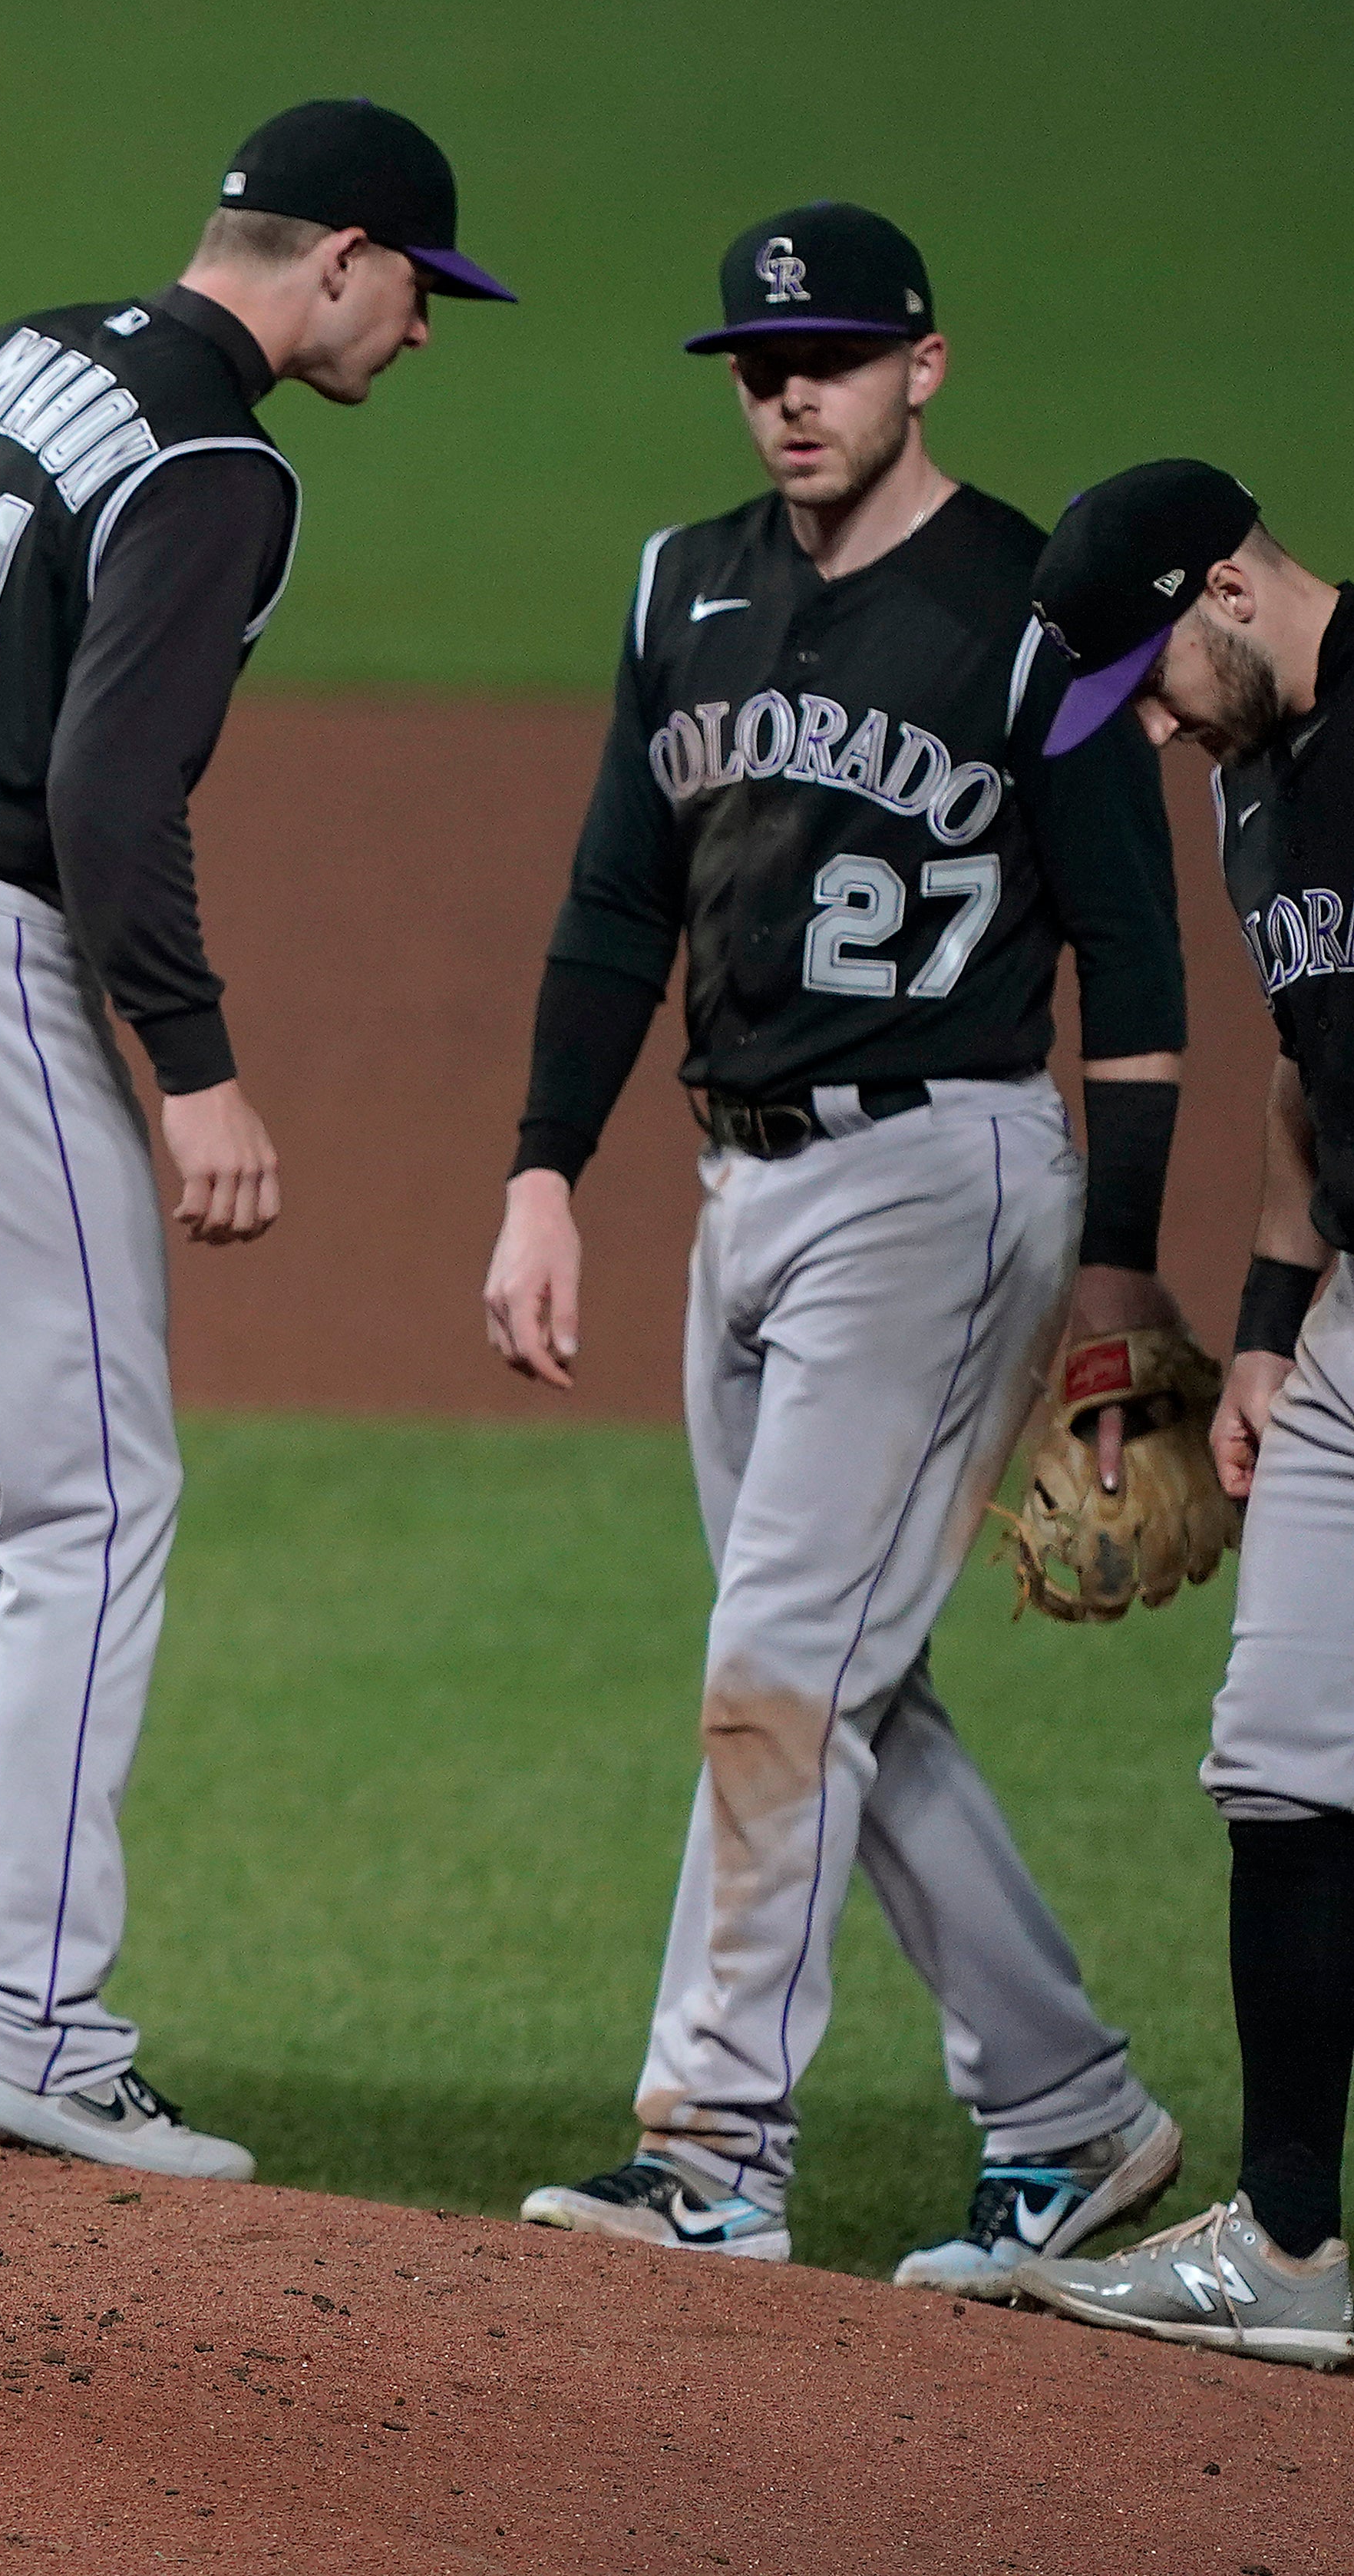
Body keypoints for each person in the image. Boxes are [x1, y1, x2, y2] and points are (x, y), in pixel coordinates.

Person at [0, 100, 512, 2174]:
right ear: (337, 256)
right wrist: (199, 1060)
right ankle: (36, 2016)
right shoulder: (219, 458)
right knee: (96, 1497)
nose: (423, 334)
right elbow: (106, 785)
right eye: (420, 287)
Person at [485, 204, 1191, 2290]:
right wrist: (541, 1169)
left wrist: (1121, 1267)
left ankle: (711, 2150)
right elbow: (623, 903)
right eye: (757, 361)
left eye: (834, 357)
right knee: (831, 1681)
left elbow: (1135, 968)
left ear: (923, 367)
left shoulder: (1036, 611)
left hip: (940, 1180)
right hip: (740, 1191)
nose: (790, 392)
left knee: (782, 1674)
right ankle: (1067, 2113)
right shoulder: (679, 585)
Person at [1010, 463, 1354, 2366]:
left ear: (1229, 580)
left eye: (1149, 676)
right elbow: (1312, 1074)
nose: (1141, 725)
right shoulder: (1245, 786)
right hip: (1346, 1320)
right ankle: (1290, 2247)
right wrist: (1262, 1325)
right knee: (1282, 1747)